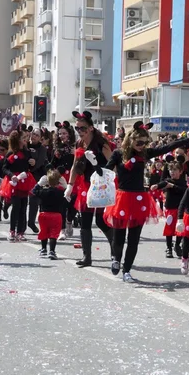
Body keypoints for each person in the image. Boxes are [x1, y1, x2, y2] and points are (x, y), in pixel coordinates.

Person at [103, 121, 189, 281]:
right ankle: (116, 259)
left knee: (134, 239)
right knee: (119, 236)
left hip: (139, 199)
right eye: (139, 142)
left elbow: (165, 148)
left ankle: (126, 270)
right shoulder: (119, 154)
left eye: (144, 142)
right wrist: (96, 167)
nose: (142, 145)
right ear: (130, 139)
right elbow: (107, 169)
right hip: (122, 199)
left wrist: (186, 140)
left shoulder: (144, 154)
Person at [65, 111, 113, 268]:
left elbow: (113, 164)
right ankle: (87, 256)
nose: (80, 131)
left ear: (91, 128)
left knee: (100, 221)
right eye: (77, 128)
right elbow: (74, 165)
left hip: (100, 185)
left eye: (83, 128)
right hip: (85, 185)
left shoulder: (101, 144)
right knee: (85, 222)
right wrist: (70, 186)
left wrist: (104, 175)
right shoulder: (79, 144)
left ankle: (115, 249)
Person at [0, 130, 37, 242]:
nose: (25, 139)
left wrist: (32, 163)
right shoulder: (11, 153)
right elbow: (4, 168)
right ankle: (12, 231)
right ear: (17, 139)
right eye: (23, 137)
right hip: (14, 183)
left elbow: (29, 168)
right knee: (16, 207)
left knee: (23, 207)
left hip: (24, 181)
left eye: (26, 137)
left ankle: (21, 232)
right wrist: (11, 176)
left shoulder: (27, 152)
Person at [151, 161, 187, 258]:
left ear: (180, 171)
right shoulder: (168, 180)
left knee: (180, 228)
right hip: (170, 209)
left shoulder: (182, 182)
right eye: (171, 170)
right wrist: (157, 186)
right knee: (169, 229)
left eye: (175, 170)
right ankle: (169, 248)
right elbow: (163, 183)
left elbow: (183, 190)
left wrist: (173, 186)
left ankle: (177, 245)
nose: (172, 172)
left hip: (180, 209)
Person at [32, 169, 66, 260]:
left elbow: (33, 192)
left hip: (44, 214)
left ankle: (43, 249)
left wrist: (39, 184)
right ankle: (52, 250)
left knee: (44, 231)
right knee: (54, 234)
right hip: (56, 215)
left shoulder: (43, 192)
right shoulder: (60, 193)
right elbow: (68, 195)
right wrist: (65, 185)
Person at [51, 121, 76, 240]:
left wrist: (76, 154)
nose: (61, 136)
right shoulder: (56, 148)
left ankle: (69, 221)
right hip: (61, 179)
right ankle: (62, 230)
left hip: (73, 178)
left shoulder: (75, 147)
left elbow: (80, 163)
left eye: (64, 133)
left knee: (73, 205)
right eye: (60, 134)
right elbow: (51, 165)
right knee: (62, 205)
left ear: (69, 134)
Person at [27, 128, 48, 234]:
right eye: (33, 134)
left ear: (40, 138)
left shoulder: (42, 149)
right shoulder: (25, 145)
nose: (33, 136)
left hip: (36, 177)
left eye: (36, 135)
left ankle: (31, 222)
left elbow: (39, 163)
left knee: (34, 200)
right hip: (23, 176)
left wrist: (33, 164)